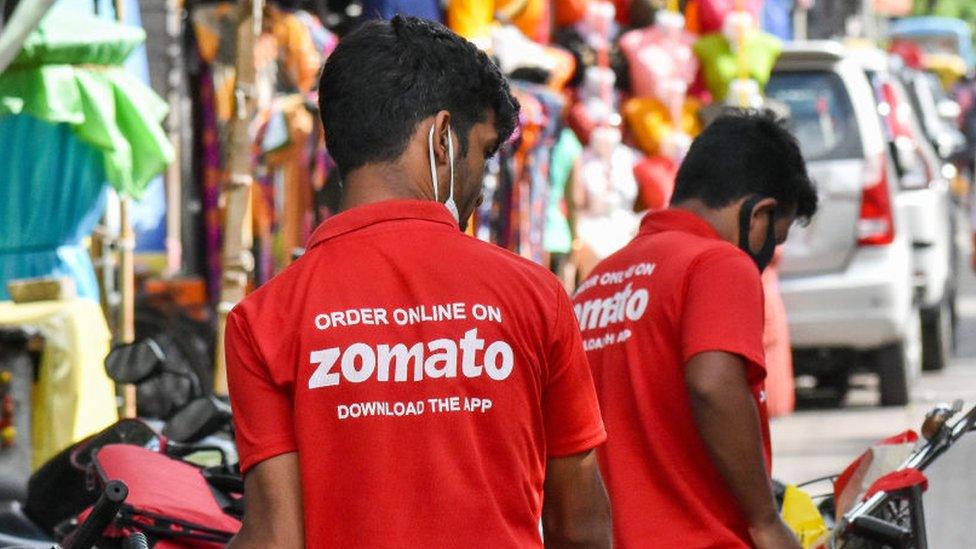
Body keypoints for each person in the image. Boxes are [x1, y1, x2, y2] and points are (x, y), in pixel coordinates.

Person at [225, 16, 611, 549]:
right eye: (483, 154)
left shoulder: (264, 319)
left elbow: (275, 539)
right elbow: (583, 527)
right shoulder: (534, 294)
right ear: (442, 139)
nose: (482, 189)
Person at [573, 110, 818, 548]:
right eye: (774, 240)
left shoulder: (595, 285)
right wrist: (765, 521)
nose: (766, 259)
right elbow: (711, 382)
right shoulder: (717, 263)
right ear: (758, 214)